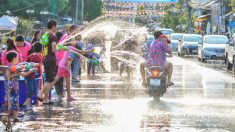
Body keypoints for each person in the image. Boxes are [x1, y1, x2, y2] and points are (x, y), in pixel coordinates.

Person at [4, 51, 36, 122]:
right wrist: (16, 74)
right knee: (9, 103)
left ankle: (15, 117)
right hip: (9, 89)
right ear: (14, 58)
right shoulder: (8, 68)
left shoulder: (17, 67)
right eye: (17, 58)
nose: (18, 59)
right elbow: (7, 76)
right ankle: (6, 117)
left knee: (16, 102)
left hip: (15, 89)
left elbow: (23, 74)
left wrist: (31, 70)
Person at [38, 20, 58, 104]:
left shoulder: (45, 35)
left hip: (45, 59)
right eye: (56, 26)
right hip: (51, 59)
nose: (56, 28)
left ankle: (46, 100)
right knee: (50, 81)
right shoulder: (53, 36)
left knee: (48, 80)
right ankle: (40, 93)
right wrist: (58, 48)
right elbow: (54, 49)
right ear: (53, 26)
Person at [24, 42, 43, 110]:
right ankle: (27, 103)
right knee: (31, 90)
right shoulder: (38, 57)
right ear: (42, 49)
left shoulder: (31, 55)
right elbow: (36, 67)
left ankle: (27, 102)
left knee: (34, 90)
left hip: (29, 75)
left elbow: (25, 63)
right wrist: (39, 74)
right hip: (30, 75)